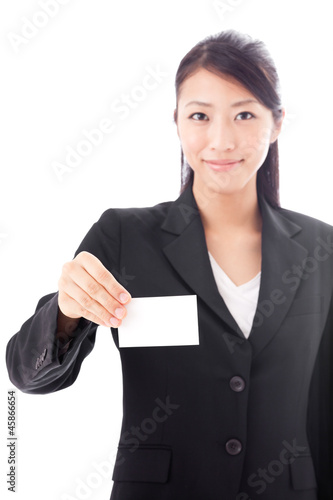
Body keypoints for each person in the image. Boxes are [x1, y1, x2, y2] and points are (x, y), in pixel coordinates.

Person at [6, 29, 333, 500]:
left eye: (244, 114)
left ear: (277, 123)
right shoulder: (124, 236)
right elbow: (26, 374)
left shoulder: (322, 249)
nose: (221, 139)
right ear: (177, 122)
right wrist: (65, 311)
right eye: (200, 115)